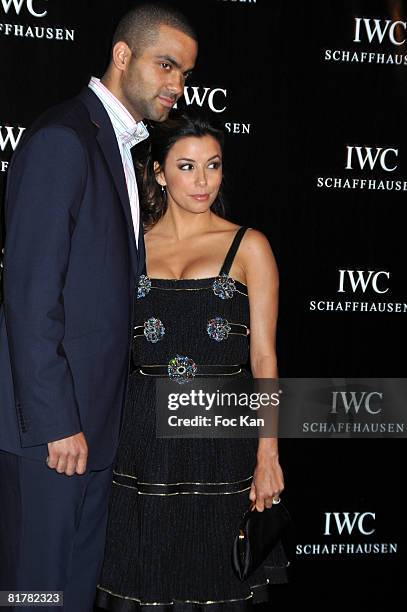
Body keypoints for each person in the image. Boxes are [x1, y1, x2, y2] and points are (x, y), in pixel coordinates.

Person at [0, 5, 197, 611]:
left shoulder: (117, 145)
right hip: (53, 433)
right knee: (38, 593)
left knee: (72, 594)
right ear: (121, 56)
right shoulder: (65, 138)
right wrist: (57, 419)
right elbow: (30, 294)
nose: (177, 86)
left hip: (94, 428)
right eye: (166, 65)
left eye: (186, 74)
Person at [95, 112, 289, 611]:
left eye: (214, 166)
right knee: (142, 585)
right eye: (186, 166)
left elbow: (264, 356)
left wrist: (268, 456)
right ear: (158, 171)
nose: (203, 182)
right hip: (141, 442)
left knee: (216, 587)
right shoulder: (131, 245)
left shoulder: (250, 246)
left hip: (221, 441)